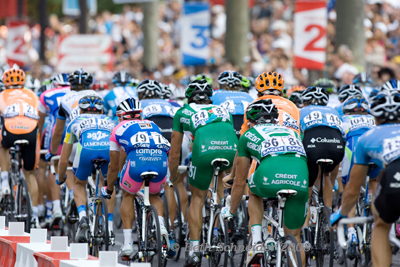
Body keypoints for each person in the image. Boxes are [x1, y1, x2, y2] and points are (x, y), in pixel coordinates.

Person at [222, 99, 308, 267]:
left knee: (252, 189)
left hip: (270, 176)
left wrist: (231, 211)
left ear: (250, 121)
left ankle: (257, 242)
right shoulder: (293, 132)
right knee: (295, 239)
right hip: (300, 178)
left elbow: (239, 181)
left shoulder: (248, 135)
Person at [168, 79, 238, 266]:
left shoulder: (182, 112)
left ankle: (194, 248)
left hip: (204, 150)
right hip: (230, 150)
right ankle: (221, 226)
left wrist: (172, 175)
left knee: (197, 198)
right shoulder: (223, 110)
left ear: (189, 98)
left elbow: (175, 152)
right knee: (221, 183)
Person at [331, 90, 400, 267]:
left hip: (390, 174)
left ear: (375, 119)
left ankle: (355, 231)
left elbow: (353, 190)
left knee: (381, 224)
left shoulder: (368, 136)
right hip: (387, 171)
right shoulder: (371, 125)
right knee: (377, 180)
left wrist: (341, 214)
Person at [101, 97, 171, 257]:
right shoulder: (153, 125)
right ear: (140, 114)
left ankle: (127, 244)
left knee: (128, 194)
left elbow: (112, 165)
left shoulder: (117, 128)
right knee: (155, 197)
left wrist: (110, 187)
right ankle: (161, 226)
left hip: (137, 161)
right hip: (160, 161)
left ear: (120, 116)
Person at [56, 94, 114, 242]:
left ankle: (82, 217)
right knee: (108, 185)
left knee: (79, 184)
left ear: (80, 111)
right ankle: (108, 224)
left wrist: (61, 177)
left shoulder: (74, 122)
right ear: (102, 112)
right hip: (108, 153)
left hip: (86, 152)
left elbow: (63, 159)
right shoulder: (111, 121)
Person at [299, 86, 345, 242]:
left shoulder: (301, 111)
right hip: (336, 148)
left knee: (308, 180)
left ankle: (304, 228)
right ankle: (328, 214)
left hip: (313, 146)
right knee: (327, 176)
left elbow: (298, 136)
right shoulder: (334, 111)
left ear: (305, 101)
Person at [0, 68, 41, 228]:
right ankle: (35, 217)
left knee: (2, 144)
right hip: (31, 132)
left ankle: (4, 182)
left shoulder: (2, 95)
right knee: (30, 174)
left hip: (11, 131)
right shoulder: (32, 95)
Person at [340, 95, 380, 258]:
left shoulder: (344, 119)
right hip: (375, 152)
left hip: (355, 152)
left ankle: (351, 233)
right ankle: (375, 211)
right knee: (375, 181)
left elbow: (339, 144)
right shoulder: (373, 119)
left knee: (348, 188)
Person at [38, 73, 71, 226]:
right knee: (71, 166)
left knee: (51, 165)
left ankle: (53, 207)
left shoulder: (46, 94)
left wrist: (38, 139)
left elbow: (41, 121)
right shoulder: (74, 93)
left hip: (55, 131)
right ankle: (73, 198)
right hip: (74, 131)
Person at [212, 70, 253, 138]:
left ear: (221, 85)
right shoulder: (248, 95)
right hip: (246, 123)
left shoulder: (215, 93)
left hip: (226, 123)